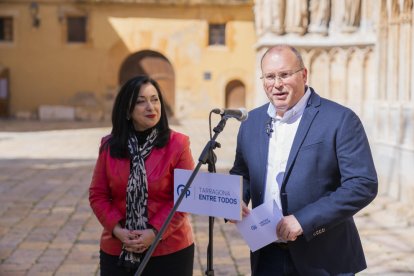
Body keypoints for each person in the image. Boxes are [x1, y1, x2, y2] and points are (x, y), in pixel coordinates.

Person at [229, 45, 378, 275]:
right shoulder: (251, 121)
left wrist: (303, 220)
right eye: (269, 76)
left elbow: (362, 184)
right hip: (266, 254)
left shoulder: (340, 119)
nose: (276, 84)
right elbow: (242, 172)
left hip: (324, 256)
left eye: (284, 75)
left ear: (304, 75)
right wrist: (236, 197)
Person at [89, 75, 195, 276]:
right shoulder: (109, 145)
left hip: (169, 249)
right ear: (127, 110)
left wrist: (154, 232)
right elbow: (98, 195)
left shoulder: (178, 144)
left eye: (155, 100)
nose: (151, 107)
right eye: (141, 101)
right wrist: (119, 231)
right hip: (119, 246)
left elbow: (184, 197)